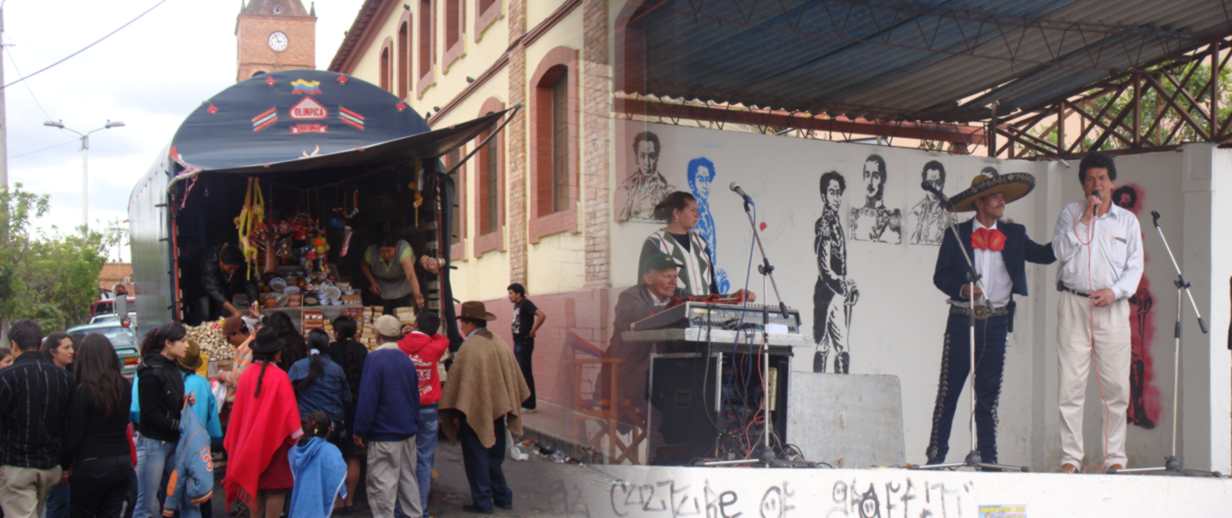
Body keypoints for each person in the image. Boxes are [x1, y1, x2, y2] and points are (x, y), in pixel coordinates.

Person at [924, 171, 1056, 466]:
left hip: (996, 321)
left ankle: (988, 458)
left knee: (988, 396)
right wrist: (962, 288)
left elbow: (1045, 255)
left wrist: (1071, 231)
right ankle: (935, 456)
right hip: (963, 318)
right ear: (979, 203)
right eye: (995, 196)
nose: (1002, 201)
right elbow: (940, 276)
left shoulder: (1015, 234)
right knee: (948, 392)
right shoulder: (956, 233)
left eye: (1002, 196)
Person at [1052, 152, 1144, 474]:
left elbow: (1135, 268)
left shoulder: (1127, 221)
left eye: (1102, 178)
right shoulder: (1070, 214)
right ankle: (1070, 458)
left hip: (1112, 308)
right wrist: (1085, 220)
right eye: (1090, 179)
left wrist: (1115, 292)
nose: (1097, 184)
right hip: (1074, 304)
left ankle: (1114, 459)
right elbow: (1059, 252)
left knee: (1116, 387)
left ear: (1112, 183)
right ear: (1083, 184)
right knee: (1070, 386)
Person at [440, 302, 530, 515]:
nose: (462, 327)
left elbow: (459, 383)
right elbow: (513, 375)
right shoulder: (498, 342)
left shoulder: (469, 348)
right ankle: (502, 496)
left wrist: (454, 413)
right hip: (498, 409)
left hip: (474, 411)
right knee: (494, 457)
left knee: (476, 458)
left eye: (463, 323)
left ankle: (482, 501)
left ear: (470, 323)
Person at [223, 326, 303, 518]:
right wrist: (296, 438)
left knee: (255, 485)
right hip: (275, 444)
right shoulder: (280, 377)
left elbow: (239, 413)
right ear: (276, 353)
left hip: (248, 443)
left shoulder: (246, 375)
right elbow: (291, 419)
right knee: (275, 489)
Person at [600, 253, 685, 432]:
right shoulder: (630, 297)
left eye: (675, 277)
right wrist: (678, 310)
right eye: (667, 276)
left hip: (660, 372)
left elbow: (701, 302)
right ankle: (663, 438)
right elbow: (639, 316)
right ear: (648, 278)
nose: (673, 282)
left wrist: (730, 297)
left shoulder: (679, 295)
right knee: (669, 393)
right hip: (628, 371)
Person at [0, 320, 73, 518]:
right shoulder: (63, 378)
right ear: (40, 345)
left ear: (14, 345)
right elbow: (69, 423)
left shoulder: (6, 377)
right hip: (51, 465)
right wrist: (66, 462)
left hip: (16, 466)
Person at [353, 315, 421, 518]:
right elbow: (414, 397)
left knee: (382, 487)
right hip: (407, 432)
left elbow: (368, 398)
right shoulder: (406, 360)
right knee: (408, 483)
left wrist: (360, 430)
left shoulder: (375, 359)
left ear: (377, 335)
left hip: (384, 434)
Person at [62, 334, 134, 518]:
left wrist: (65, 464)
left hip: (91, 461)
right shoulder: (123, 386)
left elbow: (75, 433)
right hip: (121, 458)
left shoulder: (83, 391)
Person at [134, 323, 191, 518]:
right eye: (183, 341)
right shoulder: (150, 372)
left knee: (174, 498)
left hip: (173, 441)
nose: (187, 345)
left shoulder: (172, 367)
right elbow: (150, 413)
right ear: (168, 343)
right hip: (154, 444)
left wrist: (184, 402)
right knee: (147, 505)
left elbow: (168, 402)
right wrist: (177, 424)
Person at [397, 312, 449, 514]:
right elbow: (443, 338)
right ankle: (420, 509)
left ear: (416, 323)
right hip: (428, 407)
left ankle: (400, 509)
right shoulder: (436, 346)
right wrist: (426, 333)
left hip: (404, 407)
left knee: (402, 459)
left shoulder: (401, 346)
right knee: (424, 459)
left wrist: (409, 332)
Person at [813, 171, 860, 374]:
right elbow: (824, 268)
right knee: (825, 347)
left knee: (840, 349)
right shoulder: (824, 224)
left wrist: (848, 286)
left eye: (839, 193)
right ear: (823, 196)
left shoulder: (836, 223)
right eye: (832, 192)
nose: (837, 197)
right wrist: (843, 286)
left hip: (837, 295)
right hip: (827, 294)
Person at [325, 316, 367, 512]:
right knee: (353, 455)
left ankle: (336, 501)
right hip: (356, 407)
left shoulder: (331, 350)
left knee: (334, 456)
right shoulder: (361, 350)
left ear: (336, 332)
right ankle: (349, 500)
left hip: (334, 407)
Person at [288, 411, 348, 518]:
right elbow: (338, 472)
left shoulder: (294, 451)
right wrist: (343, 492)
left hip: (298, 507)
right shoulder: (331, 451)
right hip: (318, 508)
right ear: (329, 430)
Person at [41, 332, 75, 518]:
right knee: (57, 503)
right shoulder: (50, 379)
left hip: (64, 455)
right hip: (54, 455)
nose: (72, 351)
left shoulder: (69, 375)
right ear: (53, 352)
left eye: (72, 347)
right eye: (66, 347)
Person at [289, 330, 350, 429]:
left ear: (308, 345)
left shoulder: (298, 367)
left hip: (305, 422)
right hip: (331, 422)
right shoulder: (337, 369)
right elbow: (346, 398)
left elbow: (287, 395)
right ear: (327, 346)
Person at [361, 233, 426, 313]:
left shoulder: (403, 250)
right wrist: (372, 282)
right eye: (382, 251)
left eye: (389, 251)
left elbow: (411, 275)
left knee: (404, 314)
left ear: (395, 247)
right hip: (381, 287)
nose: (386, 254)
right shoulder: (371, 251)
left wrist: (417, 295)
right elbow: (364, 266)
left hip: (402, 285)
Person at [197, 242, 261, 322]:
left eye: (235, 269)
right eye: (230, 268)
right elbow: (214, 291)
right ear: (221, 262)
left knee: (226, 315)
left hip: (225, 291)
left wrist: (254, 302)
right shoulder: (210, 263)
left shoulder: (239, 262)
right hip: (205, 294)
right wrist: (235, 311)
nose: (233, 272)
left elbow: (249, 283)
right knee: (206, 316)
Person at [619, 131, 674, 221]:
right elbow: (620, 221)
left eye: (651, 156)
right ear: (636, 158)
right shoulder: (626, 187)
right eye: (642, 156)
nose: (647, 162)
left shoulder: (668, 189)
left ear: (657, 157)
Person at [507, 283, 545, 412]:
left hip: (524, 343)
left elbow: (541, 315)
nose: (509, 296)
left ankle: (530, 405)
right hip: (518, 342)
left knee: (525, 372)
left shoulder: (526, 303)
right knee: (520, 372)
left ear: (518, 294)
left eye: (511, 293)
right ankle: (524, 401)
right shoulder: (517, 305)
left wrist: (533, 330)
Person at [849, 153, 903, 244]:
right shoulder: (854, 217)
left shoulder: (893, 219)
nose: (870, 182)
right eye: (867, 175)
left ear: (883, 179)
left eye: (875, 176)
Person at [910, 160, 949, 245]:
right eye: (929, 183)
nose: (933, 187)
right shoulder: (916, 211)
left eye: (938, 182)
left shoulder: (952, 210)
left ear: (943, 183)